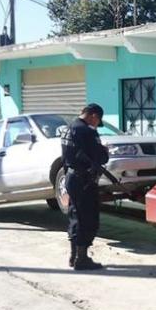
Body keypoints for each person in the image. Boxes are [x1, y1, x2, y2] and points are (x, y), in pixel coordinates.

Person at [61, 104, 109, 270]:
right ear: (94, 116)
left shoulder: (69, 128)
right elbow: (101, 157)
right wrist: (105, 151)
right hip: (84, 180)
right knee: (87, 218)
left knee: (75, 216)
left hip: (72, 177)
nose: (96, 125)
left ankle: (73, 256)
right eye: (97, 122)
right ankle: (82, 259)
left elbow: (65, 157)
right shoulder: (87, 131)